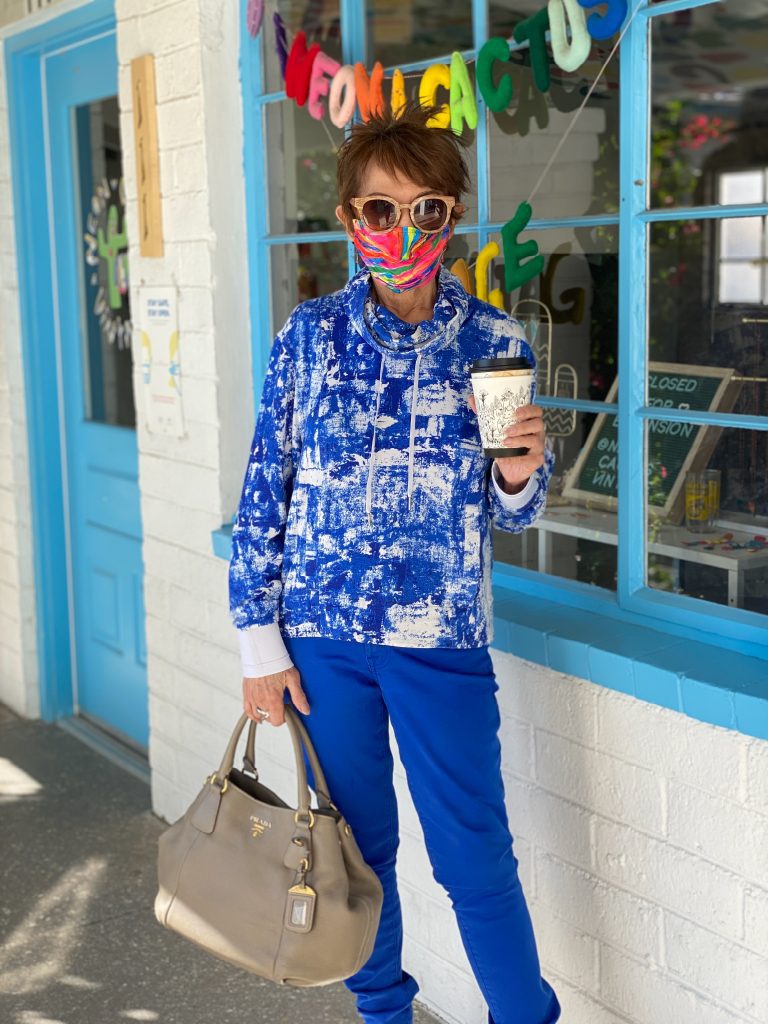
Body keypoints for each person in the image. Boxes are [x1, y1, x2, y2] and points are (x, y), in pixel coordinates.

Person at [228, 100, 560, 1024]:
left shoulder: (496, 346)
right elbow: (266, 491)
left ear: (453, 218)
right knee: (354, 854)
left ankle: (524, 1017)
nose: (403, 231)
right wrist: (260, 644)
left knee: (473, 856)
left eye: (427, 211)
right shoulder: (308, 339)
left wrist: (523, 472)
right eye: (380, 209)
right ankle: (383, 1013)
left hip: (442, 642)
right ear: (348, 218)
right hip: (322, 643)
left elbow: (515, 515)